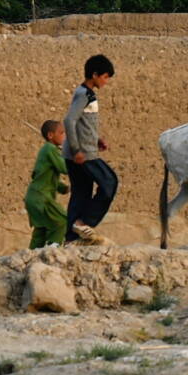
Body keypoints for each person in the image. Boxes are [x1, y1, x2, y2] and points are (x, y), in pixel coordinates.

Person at [63, 54, 118, 235]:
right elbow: (70, 120)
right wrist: (76, 150)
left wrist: (96, 139)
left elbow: (82, 123)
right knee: (109, 182)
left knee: (81, 194)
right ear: (94, 75)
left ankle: (72, 238)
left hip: (82, 150)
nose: (106, 81)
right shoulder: (85, 95)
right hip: (83, 154)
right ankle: (84, 222)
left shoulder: (84, 93)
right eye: (105, 77)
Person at [26, 119, 70, 248]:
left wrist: (63, 188)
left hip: (33, 198)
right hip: (42, 198)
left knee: (42, 229)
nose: (64, 136)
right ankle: (52, 249)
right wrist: (73, 157)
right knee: (62, 221)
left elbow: (45, 176)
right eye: (61, 133)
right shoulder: (50, 149)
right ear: (51, 135)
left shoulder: (47, 150)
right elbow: (65, 168)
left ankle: (32, 257)